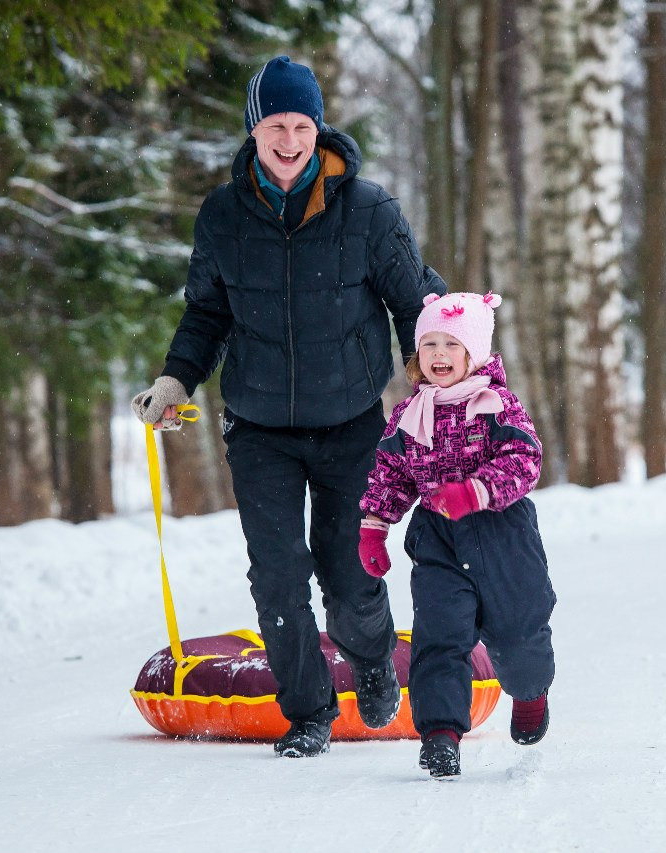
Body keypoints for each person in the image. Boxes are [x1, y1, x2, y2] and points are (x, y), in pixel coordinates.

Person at [132, 56, 446, 758]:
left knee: (347, 571)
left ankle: (369, 659)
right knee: (276, 573)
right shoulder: (221, 215)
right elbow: (206, 315)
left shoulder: (368, 210)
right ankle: (307, 711)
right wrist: (176, 381)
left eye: (302, 125)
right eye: (277, 124)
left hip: (351, 423)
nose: (290, 139)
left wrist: (433, 367)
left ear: (319, 128)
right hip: (260, 428)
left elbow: (416, 298)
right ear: (255, 128)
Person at [357, 291, 556, 778]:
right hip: (438, 537)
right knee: (439, 638)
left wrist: (478, 491)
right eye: (429, 345)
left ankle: (530, 693)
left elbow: (524, 461)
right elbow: (390, 474)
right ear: (417, 355)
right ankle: (441, 734)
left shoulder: (497, 405)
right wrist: (375, 529)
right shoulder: (409, 414)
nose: (439, 355)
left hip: (502, 533)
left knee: (519, 632)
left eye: (452, 344)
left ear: (475, 354)